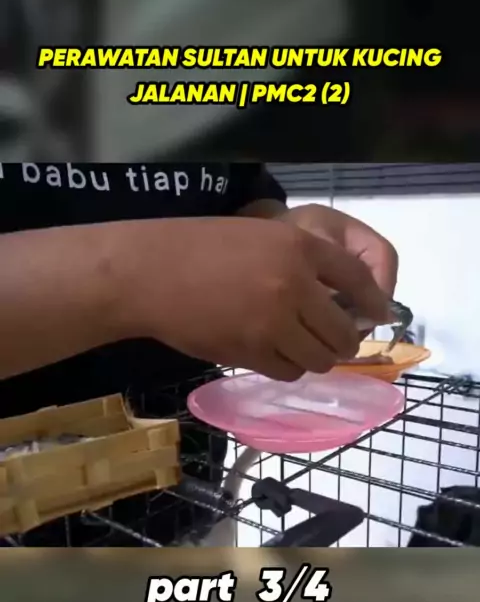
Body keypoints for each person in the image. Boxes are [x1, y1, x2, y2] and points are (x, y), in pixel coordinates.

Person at [0, 161, 397, 546]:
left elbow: (242, 195)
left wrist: (283, 236)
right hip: (22, 506)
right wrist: (140, 276)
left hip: (184, 476)